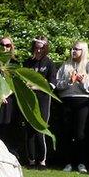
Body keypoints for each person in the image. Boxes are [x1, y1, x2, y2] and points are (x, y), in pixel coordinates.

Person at [55, 41, 89, 173]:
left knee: (80, 133)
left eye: (77, 49)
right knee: (66, 132)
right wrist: (69, 81)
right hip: (66, 100)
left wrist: (82, 81)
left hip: (82, 102)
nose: (73, 51)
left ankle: (81, 163)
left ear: (83, 51)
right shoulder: (65, 65)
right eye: (72, 49)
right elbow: (57, 85)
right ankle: (67, 163)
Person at [22, 36, 57, 168]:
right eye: (36, 47)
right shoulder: (27, 63)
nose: (38, 50)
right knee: (29, 130)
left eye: (41, 48)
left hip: (43, 100)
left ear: (45, 48)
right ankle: (31, 160)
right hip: (28, 99)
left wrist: (37, 86)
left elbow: (53, 84)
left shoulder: (49, 63)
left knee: (40, 129)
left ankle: (42, 161)